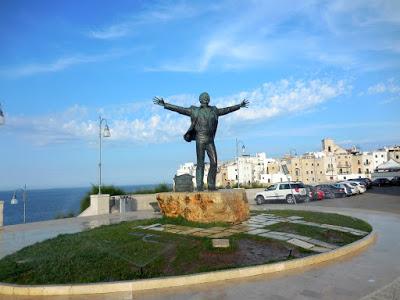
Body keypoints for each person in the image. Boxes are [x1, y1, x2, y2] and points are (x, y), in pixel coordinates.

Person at [153, 92, 249, 191]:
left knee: (214, 162)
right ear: (200, 100)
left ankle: (211, 184)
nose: (205, 100)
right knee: (200, 163)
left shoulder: (214, 111)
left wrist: (239, 106)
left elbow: (227, 110)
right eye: (203, 98)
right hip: (200, 139)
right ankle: (199, 186)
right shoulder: (195, 111)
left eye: (206, 98)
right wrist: (166, 104)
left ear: (208, 100)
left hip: (210, 140)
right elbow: (180, 109)